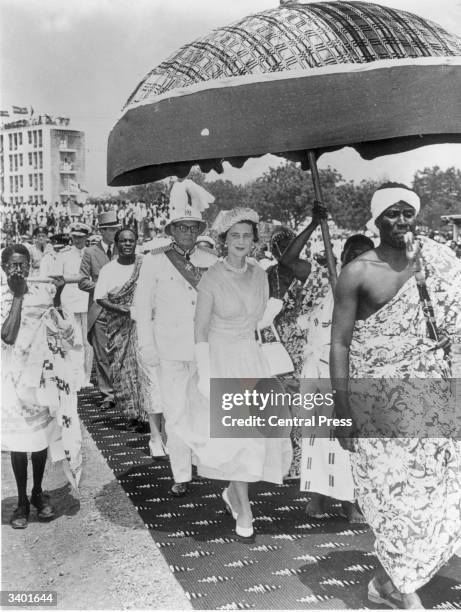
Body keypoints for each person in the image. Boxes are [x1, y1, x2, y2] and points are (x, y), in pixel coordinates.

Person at [330, 183, 461, 608]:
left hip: (429, 396)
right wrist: (342, 409)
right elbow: (340, 345)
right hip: (378, 403)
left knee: (436, 491)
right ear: (376, 219)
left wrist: (445, 341)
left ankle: (387, 582)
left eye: (408, 213)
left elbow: (453, 316)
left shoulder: (435, 260)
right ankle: (405, 590)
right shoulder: (358, 272)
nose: (401, 221)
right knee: (393, 494)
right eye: (392, 214)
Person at [187, 207, 293, 541]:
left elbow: (259, 320)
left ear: (255, 241)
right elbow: (200, 330)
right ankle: (244, 508)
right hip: (221, 359)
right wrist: (206, 375)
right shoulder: (212, 277)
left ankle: (235, 494)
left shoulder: (260, 274)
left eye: (247, 236)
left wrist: (277, 309)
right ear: (223, 240)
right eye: (235, 236)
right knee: (237, 438)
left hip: (251, 358)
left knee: (257, 437)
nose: (241, 242)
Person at [132, 180, 217, 496]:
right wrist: (146, 345)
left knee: (205, 407)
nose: (188, 233)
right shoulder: (155, 260)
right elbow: (142, 308)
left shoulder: (209, 261)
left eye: (193, 227)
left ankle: (204, 462)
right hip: (168, 349)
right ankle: (181, 474)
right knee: (175, 411)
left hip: (204, 348)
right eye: (182, 227)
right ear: (172, 229)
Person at [1, 244, 83, 529]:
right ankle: (22, 501)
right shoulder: (2, 295)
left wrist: (58, 293)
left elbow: (60, 325)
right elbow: (8, 335)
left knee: (38, 443)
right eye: (12, 265)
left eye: (23, 264)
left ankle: (37, 493)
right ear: (4, 268)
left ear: (30, 266)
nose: (18, 270)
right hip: (11, 380)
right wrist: (17, 296)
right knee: (18, 443)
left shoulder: (41, 290)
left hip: (40, 377)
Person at [299, 234, 373, 522]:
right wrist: (312, 225)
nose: (357, 258)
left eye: (364, 254)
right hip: (316, 371)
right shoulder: (322, 279)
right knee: (316, 439)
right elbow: (289, 262)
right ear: (341, 255)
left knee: (345, 439)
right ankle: (317, 496)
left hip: (348, 374)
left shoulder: (374, 292)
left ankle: (348, 500)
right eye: (351, 253)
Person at [263, 206, 327, 479]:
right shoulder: (301, 272)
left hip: (282, 344)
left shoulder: (273, 274)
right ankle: (300, 461)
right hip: (297, 344)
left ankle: (294, 461)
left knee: (291, 404)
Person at [94, 228, 163, 448]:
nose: (127, 244)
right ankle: (133, 415)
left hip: (145, 325)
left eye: (131, 240)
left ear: (136, 242)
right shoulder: (108, 269)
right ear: (116, 244)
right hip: (120, 324)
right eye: (123, 241)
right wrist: (123, 309)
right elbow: (100, 298)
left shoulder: (146, 264)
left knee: (145, 369)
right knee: (124, 368)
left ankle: (148, 415)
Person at [79, 211, 120, 410]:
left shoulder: (125, 248)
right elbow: (82, 281)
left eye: (116, 229)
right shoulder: (90, 253)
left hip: (121, 310)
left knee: (121, 353)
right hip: (99, 310)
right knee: (103, 355)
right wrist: (102, 286)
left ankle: (123, 391)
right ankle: (108, 395)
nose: (115, 233)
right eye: (111, 229)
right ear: (102, 231)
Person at [52, 222, 94, 388]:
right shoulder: (63, 255)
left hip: (88, 300)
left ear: (86, 237)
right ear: (71, 237)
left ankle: (86, 378)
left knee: (88, 341)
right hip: (69, 300)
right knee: (73, 339)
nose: (78, 240)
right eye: (75, 237)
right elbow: (56, 279)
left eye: (81, 237)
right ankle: (75, 377)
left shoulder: (91, 253)